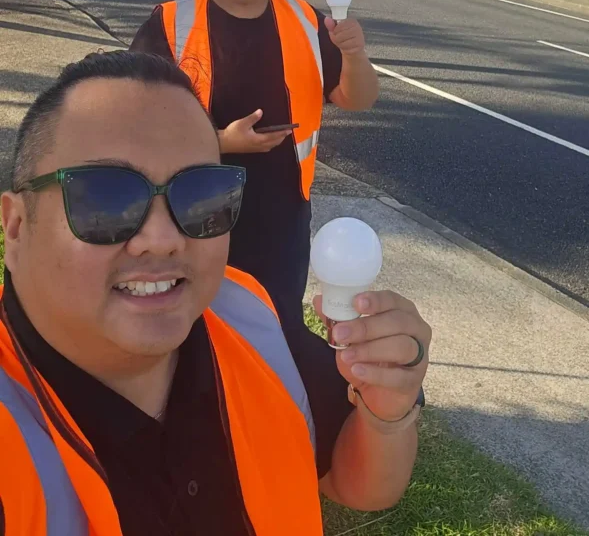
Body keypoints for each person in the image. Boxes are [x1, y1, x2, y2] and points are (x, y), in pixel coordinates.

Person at [0, 51, 431, 535]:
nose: (162, 239)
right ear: (16, 227)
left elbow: (359, 487)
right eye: (105, 198)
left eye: (200, 194)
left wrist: (386, 410)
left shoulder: (248, 316)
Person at [130, 0, 379, 321]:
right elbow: (133, 126)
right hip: (188, 219)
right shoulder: (169, 24)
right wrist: (221, 142)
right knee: (193, 334)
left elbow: (357, 98)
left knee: (273, 332)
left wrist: (354, 53)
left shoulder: (307, 21)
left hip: (281, 222)